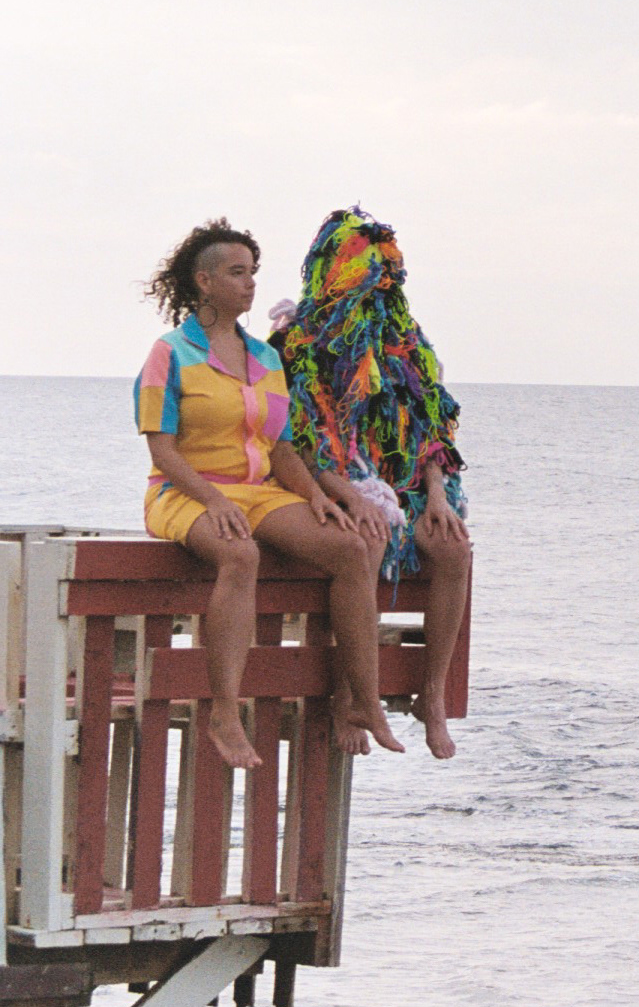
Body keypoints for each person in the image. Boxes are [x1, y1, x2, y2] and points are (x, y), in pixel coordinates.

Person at [135, 218, 404, 770]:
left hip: (257, 492)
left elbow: (280, 448)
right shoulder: (170, 353)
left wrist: (314, 496)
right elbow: (162, 449)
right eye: (237, 273)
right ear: (204, 281)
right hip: (184, 492)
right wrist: (213, 501)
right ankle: (224, 712)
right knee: (240, 555)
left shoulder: (266, 357)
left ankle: (364, 700)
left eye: (252, 272)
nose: (250, 283)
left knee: (351, 547)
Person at [273, 208, 471, 760]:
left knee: (452, 547)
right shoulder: (296, 343)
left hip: (406, 480)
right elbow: (298, 439)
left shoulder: (405, 341)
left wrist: (437, 496)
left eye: (384, 267)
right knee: (369, 538)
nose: (377, 278)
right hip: (330, 476)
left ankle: (432, 695)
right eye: (363, 264)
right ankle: (350, 697)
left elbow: (431, 429)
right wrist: (349, 493)